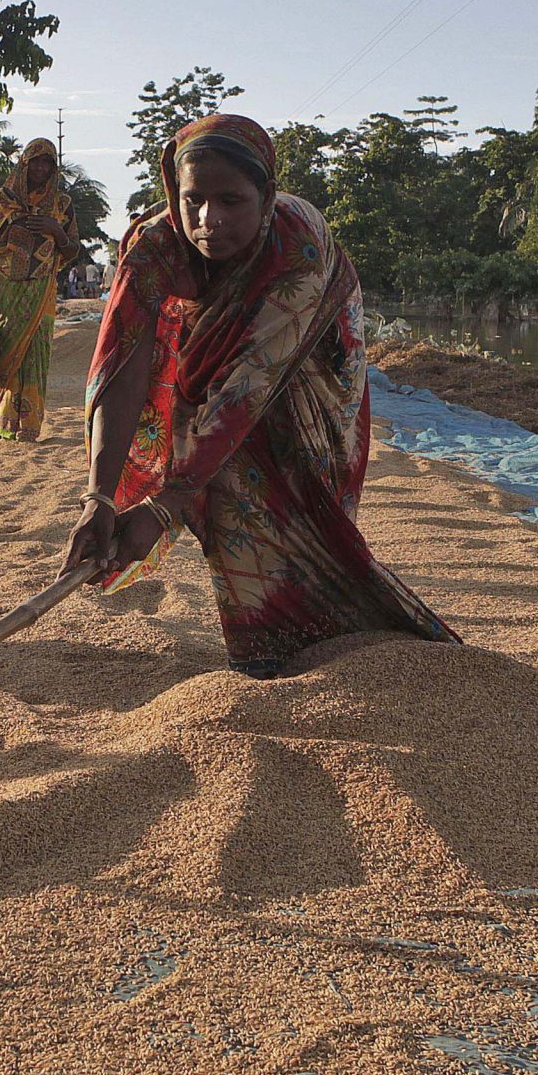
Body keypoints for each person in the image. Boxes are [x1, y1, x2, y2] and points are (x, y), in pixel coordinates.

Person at [60, 112, 457, 677]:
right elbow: (122, 368)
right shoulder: (153, 247)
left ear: (267, 194)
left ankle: (345, 638)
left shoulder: (296, 246)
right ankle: (266, 645)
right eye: (193, 199)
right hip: (232, 380)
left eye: (231, 201)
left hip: (310, 355)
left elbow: (245, 390)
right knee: (221, 476)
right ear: (174, 190)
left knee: (290, 478)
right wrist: (99, 498)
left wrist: (165, 507)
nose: (208, 220)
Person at [0, 137, 83, 446]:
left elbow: (72, 248)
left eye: (47, 163)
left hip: (42, 291)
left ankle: (28, 427)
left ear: (53, 168)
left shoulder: (61, 204)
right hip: (6, 291)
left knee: (35, 356)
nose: (40, 167)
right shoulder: (6, 197)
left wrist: (54, 228)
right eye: (35, 161)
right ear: (24, 163)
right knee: (3, 356)